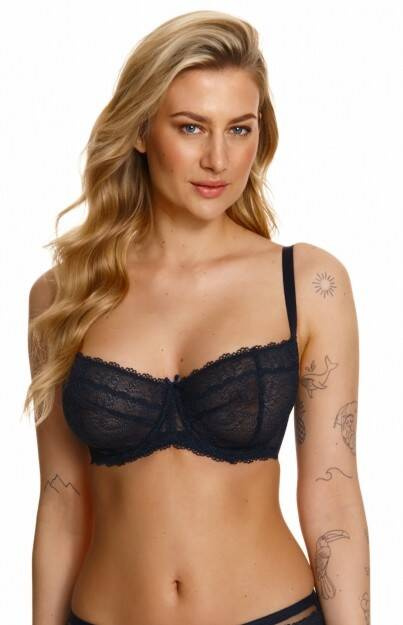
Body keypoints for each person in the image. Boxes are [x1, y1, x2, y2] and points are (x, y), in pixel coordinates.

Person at [25, 10, 370, 625]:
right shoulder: (64, 295)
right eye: (191, 127)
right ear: (140, 130)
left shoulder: (307, 283)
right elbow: (61, 501)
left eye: (240, 129)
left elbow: (332, 491)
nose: (218, 159)